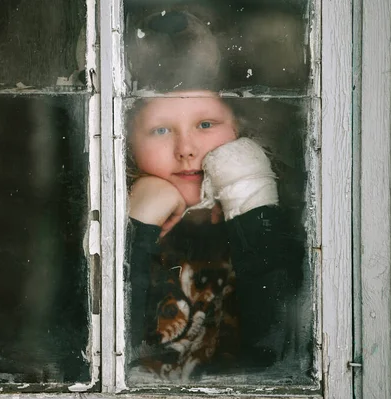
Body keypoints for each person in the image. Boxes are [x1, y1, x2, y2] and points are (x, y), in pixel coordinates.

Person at [124, 90, 304, 382]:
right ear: (128, 142)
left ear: (241, 129)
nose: (186, 149)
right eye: (160, 130)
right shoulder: (103, 229)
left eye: (206, 124)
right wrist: (139, 225)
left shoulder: (291, 226)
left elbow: (282, 361)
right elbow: (102, 349)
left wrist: (249, 198)